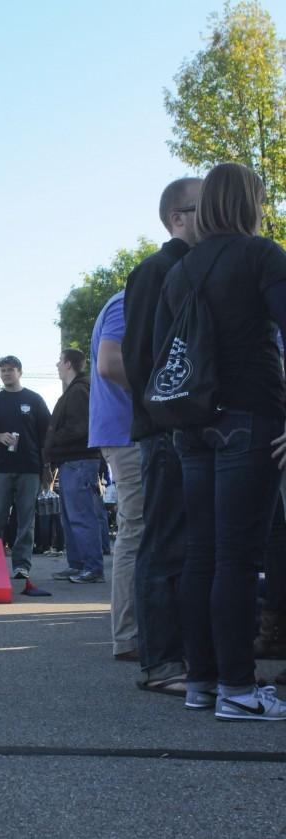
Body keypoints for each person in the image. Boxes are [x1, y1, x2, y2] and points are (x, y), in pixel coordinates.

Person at [157, 162, 286, 720]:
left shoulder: (181, 271)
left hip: (192, 423)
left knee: (203, 557)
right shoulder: (264, 256)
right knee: (239, 558)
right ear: (250, 203)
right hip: (251, 415)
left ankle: (202, 682)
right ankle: (239, 687)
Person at [122, 176, 202, 695]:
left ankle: (186, 656)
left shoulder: (196, 265)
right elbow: (141, 359)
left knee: (187, 544)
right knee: (164, 543)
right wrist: (168, 418)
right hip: (166, 431)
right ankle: (163, 663)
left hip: (187, 430)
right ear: (177, 217)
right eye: (204, 208)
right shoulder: (157, 270)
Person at [89, 291, 143, 659]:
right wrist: (161, 393)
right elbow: (110, 364)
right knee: (137, 529)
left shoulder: (126, 299)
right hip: (128, 432)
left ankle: (132, 633)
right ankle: (129, 636)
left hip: (124, 431)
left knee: (138, 529)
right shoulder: (129, 300)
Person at [0, 355, 51, 579]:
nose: (6, 374)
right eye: (2, 371)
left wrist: (46, 467)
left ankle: (22, 565)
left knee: (26, 519)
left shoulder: (35, 400)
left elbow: (46, 436)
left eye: (10, 370)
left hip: (30, 467)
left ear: (20, 372)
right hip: (0, 468)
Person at [45, 348, 104, 584]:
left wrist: (52, 436)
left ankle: (92, 568)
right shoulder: (77, 390)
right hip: (72, 461)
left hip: (79, 460)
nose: (57, 365)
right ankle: (79, 564)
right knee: (71, 518)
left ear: (68, 364)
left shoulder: (79, 391)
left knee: (81, 516)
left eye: (60, 361)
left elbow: (80, 427)